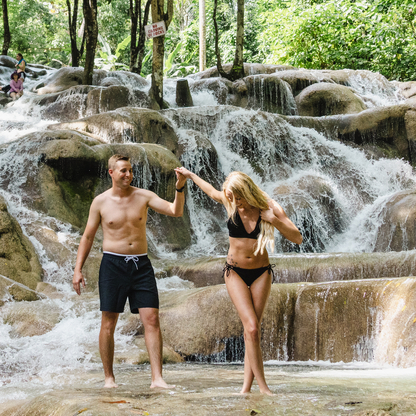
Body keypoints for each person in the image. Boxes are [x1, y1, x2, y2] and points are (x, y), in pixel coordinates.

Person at [173, 167, 302, 395]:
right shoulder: (229, 201)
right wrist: (190, 176)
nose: (236, 203)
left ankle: (246, 388)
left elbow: (297, 238)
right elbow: (212, 192)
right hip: (234, 272)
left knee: (251, 331)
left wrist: (274, 220)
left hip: (262, 272)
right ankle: (263, 388)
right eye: (232, 198)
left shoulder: (269, 207)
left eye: (239, 198)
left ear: (249, 191)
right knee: (251, 327)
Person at [72, 155, 186, 389]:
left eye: (130, 171)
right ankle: (109, 379)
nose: (128, 174)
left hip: (141, 265)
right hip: (112, 265)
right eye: (123, 171)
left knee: (151, 319)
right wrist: (78, 270)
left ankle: (157, 379)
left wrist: (180, 186)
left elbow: (175, 211)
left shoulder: (143, 196)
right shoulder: (100, 202)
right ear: (111, 173)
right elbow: (88, 236)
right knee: (108, 322)